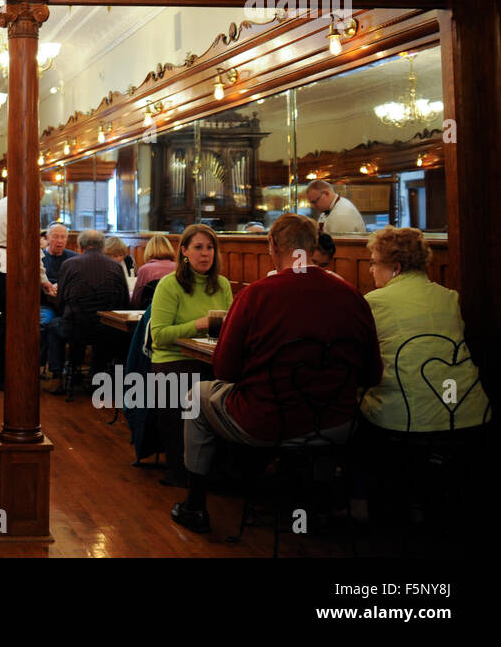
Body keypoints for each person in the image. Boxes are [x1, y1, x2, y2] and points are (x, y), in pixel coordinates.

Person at [171, 214, 381, 533]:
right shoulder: (351, 295)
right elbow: (371, 375)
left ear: (271, 246)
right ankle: (319, 504)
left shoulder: (256, 295)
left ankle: (195, 505)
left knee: (196, 397)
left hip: (266, 421)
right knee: (326, 404)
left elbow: (225, 370)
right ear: (313, 246)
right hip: (335, 424)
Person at [359, 227, 489, 433]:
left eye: (373, 262)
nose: (370, 269)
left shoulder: (375, 301)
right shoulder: (449, 297)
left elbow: (362, 360)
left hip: (406, 419)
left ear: (396, 268)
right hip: (468, 412)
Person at [147, 224, 233, 486]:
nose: (205, 254)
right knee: (179, 391)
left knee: (234, 390)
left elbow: (230, 327)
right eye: (198, 247)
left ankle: (219, 470)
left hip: (209, 358)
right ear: (184, 251)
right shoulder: (169, 285)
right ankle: (181, 470)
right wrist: (199, 324)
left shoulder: (222, 284)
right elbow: (159, 335)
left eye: (210, 248)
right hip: (172, 358)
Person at [51, 229, 129, 395]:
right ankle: (97, 376)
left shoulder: (69, 264)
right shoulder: (115, 266)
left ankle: (58, 375)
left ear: (80, 246)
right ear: (103, 246)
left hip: (75, 327)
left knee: (54, 326)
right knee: (101, 333)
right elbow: (124, 302)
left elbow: (61, 300)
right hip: (107, 329)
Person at [39, 224, 75, 375]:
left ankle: (63, 369)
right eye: (55, 236)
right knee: (45, 323)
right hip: (46, 304)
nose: (59, 241)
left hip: (68, 306)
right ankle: (39, 365)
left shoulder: (74, 258)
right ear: (47, 238)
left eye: (63, 237)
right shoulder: (40, 258)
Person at [132, 235, 177, 309]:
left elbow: (136, 301)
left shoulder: (145, 270)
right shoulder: (178, 268)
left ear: (148, 250)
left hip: (150, 313)